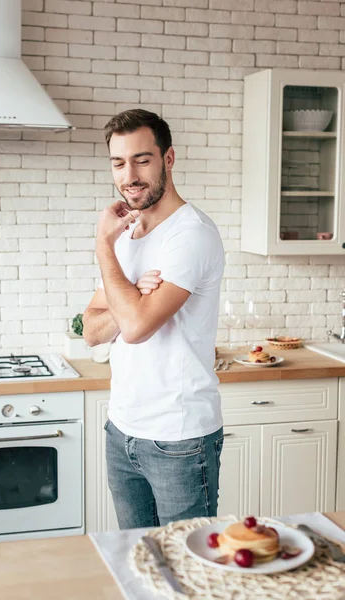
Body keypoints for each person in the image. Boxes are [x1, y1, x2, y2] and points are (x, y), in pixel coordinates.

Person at [82, 109, 225, 529]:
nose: (130, 175)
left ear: (168, 159)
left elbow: (138, 328)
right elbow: (91, 330)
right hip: (122, 430)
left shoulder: (190, 234)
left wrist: (103, 246)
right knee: (139, 561)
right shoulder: (128, 234)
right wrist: (131, 298)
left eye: (142, 159)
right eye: (118, 162)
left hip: (178, 438)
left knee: (185, 570)